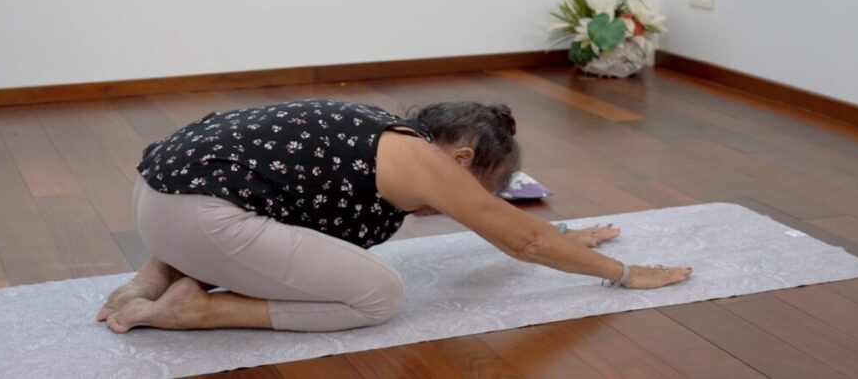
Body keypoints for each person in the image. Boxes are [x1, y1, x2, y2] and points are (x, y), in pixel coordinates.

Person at [97, 99, 692, 333]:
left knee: (281, 233)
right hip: (202, 219)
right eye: (478, 190)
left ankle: (152, 277)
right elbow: (522, 242)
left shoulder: (377, 134)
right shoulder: (424, 160)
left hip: (156, 199)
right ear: (460, 158)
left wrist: (560, 233)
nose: (469, 209)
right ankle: (202, 307)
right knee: (377, 296)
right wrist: (620, 273)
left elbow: (513, 228)